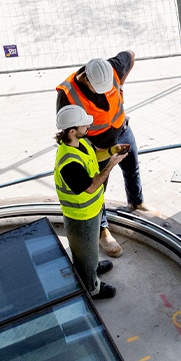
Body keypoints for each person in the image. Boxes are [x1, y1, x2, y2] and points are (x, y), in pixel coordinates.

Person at [56, 50, 143, 256]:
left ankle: (136, 201)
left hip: (122, 131)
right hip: (99, 148)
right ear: (86, 77)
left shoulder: (110, 69)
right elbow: (68, 130)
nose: (105, 93)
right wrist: (95, 152)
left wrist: (120, 86)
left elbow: (130, 55)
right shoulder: (68, 95)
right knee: (97, 190)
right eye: (99, 89)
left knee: (132, 168)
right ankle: (102, 231)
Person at [55, 104, 127, 300]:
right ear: (72, 131)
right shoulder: (69, 164)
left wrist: (112, 150)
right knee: (84, 254)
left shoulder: (80, 142)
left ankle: (92, 267)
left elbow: (94, 154)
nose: (88, 127)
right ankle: (92, 287)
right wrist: (111, 165)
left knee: (89, 250)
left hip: (91, 210)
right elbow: (92, 186)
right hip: (81, 216)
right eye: (84, 125)